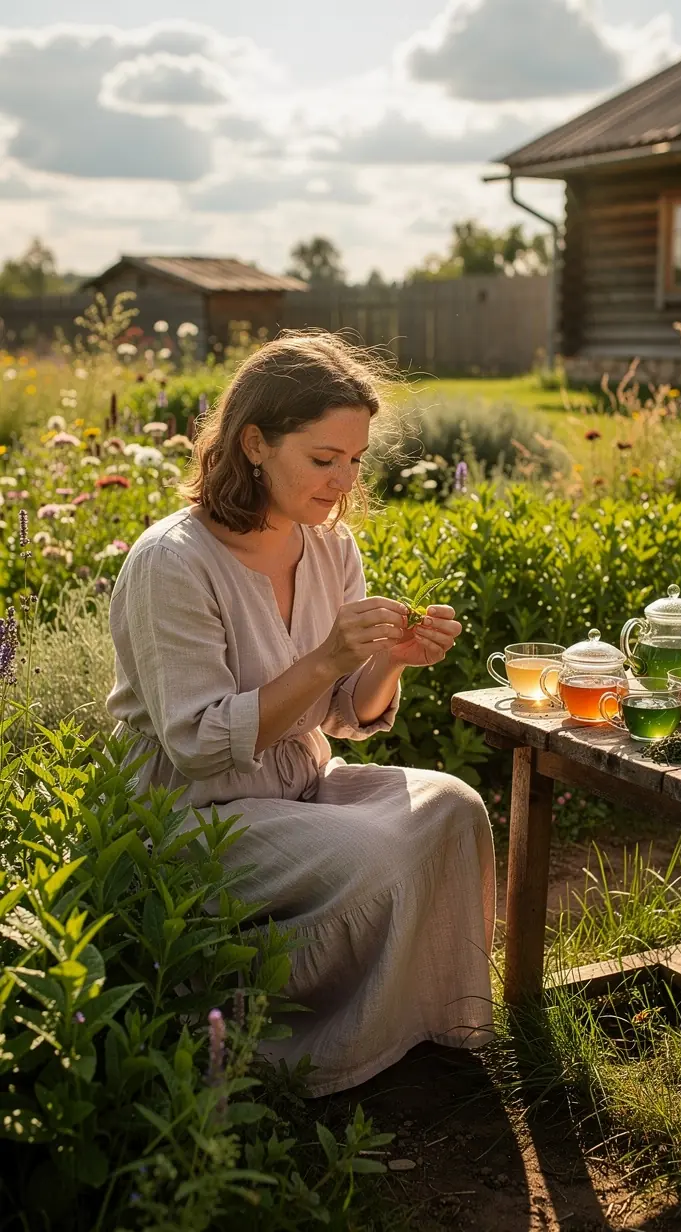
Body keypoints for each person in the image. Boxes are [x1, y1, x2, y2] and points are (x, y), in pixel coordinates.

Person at [107, 332, 496, 1096]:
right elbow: (197, 743)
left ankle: (432, 1028)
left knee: (455, 807)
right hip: (194, 811)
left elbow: (350, 713)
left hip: (298, 784)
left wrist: (390, 658)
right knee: (375, 856)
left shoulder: (329, 546)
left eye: (353, 460)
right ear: (254, 442)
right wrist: (325, 657)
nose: (342, 482)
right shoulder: (172, 563)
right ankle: (320, 1059)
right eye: (324, 460)